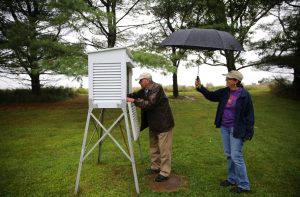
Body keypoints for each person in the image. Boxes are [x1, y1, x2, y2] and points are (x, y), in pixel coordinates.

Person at [195, 70, 254, 193]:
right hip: (224, 127)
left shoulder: (244, 95)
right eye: (226, 78)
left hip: (237, 129)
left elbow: (249, 115)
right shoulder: (224, 92)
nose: (226, 80)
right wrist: (200, 87)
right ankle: (232, 179)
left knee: (236, 156)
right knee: (229, 155)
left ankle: (244, 185)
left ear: (236, 81)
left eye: (228, 79)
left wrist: (248, 132)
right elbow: (211, 96)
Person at [127, 72, 175, 182]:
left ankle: (164, 172)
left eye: (140, 80)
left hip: (163, 124)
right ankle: (155, 167)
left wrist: (134, 101)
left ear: (147, 80)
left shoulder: (157, 88)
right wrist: (127, 96)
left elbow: (150, 104)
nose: (139, 82)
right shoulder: (145, 90)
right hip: (153, 123)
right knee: (153, 147)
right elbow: (136, 95)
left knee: (164, 149)